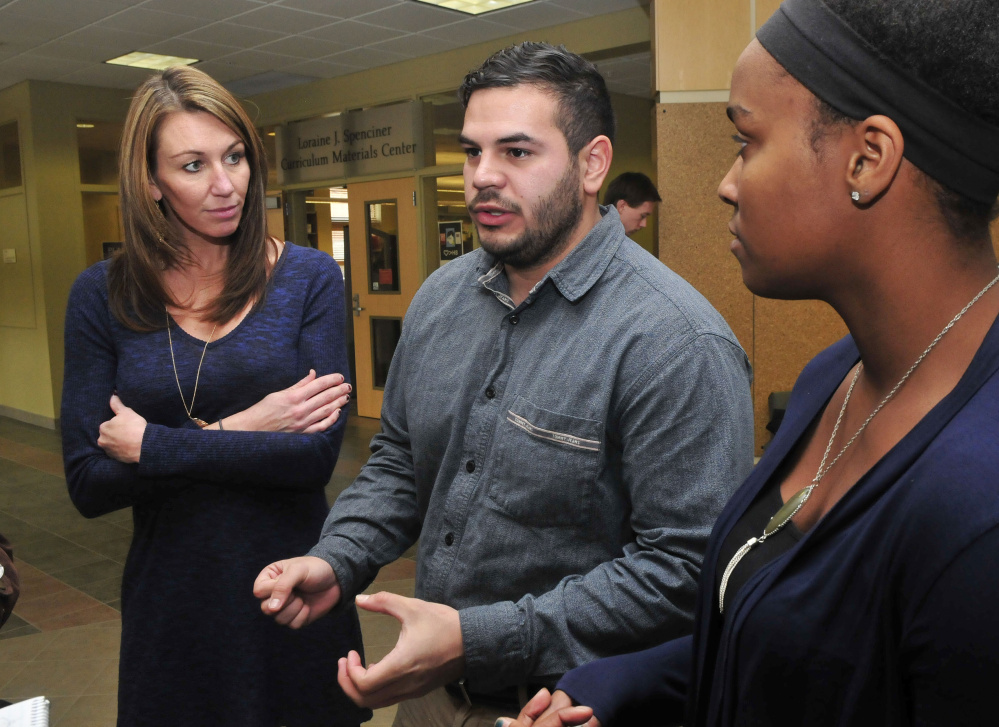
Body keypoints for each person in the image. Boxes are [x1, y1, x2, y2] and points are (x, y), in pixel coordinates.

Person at [504, 0, 999, 725]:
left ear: (867, 158)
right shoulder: (831, 377)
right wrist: (620, 682)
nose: (726, 183)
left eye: (746, 141)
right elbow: (791, 648)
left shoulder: (977, 510)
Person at [254, 42, 754, 726]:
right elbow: (400, 462)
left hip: (570, 707)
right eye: (471, 152)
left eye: (516, 153)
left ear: (592, 164)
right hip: (429, 695)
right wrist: (337, 557)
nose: (482, 177)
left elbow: (686, 570)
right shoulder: (438, 300)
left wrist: (477, 639)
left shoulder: (673, 341)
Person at [60, 66, 369, 727]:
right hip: (175, 605)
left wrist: (152, 447)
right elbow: (89, 481)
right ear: (151, 182)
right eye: (193, 165)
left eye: (234, 157)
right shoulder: (102, 295)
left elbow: (311, 460)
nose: (225, 184)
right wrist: (245, 426)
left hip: (294, 594)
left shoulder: (308, 278)